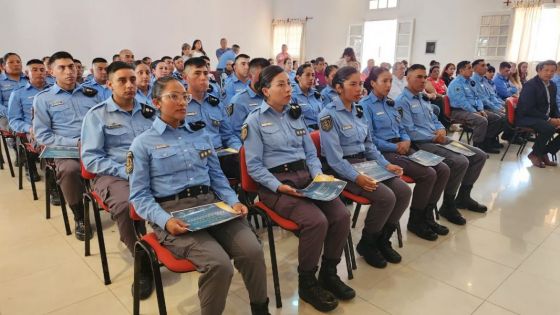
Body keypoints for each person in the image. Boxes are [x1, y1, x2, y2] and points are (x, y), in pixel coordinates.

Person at [128, 76, 269, 315]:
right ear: (155, 103)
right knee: (219, 265)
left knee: (252, 250)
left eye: (184, 96)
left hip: (211, 205)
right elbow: (139, 196)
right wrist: (165, 221)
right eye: (173, 96)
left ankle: (260, 309)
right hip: (173, 213)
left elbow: (217, 178)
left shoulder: (200, 136)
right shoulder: (142, 144)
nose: (182, 102)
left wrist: (233, 201)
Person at [244, 65, 355, 312]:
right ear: (265, 91)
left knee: (341, 215)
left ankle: (329, 272)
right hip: (275, 185)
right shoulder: (254, 121)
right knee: (316, 222)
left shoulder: (296, 115)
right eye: (280, 85)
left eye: (288, 83)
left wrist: (317, 175)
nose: (288, 89)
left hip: (306, 177)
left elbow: (310, 153)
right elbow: (254, 167)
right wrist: (278, 186)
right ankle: (307, 280)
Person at [319, 66, 412, 269]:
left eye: (360, 84)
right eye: (353, 84)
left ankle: (381, 239)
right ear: (338, 87)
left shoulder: (359, 110)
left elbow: (369, 146)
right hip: (342, 168)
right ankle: (367, 243)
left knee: (403, 192)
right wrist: (355, 177)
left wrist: (386, 164)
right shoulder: (328, 116)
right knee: (386, 197)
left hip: (366, 163)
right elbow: (335, 160)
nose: (359, 88)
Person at [80, 61, 156, 299]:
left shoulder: (149, 110)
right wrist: (128, 172)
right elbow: (91, 159)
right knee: (125, 206)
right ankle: (141, 260)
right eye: (122, 81)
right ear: (109, 84)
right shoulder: (97, 115)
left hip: (150, 171)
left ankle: (174, 242)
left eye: (132, 80)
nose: (129, 85)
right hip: (113, 174)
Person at [360, 66, 449, 241]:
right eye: (384, 81)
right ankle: (414, 221)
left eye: (390, 81)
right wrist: (395, 147)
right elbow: (370, 139)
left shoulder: (391, 103)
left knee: (442, 168)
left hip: (404, 147)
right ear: (372, 83)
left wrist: (406, 140)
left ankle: (426, 215)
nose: (388, 85)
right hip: (385, 152)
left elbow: (402, 128)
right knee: (428, 173)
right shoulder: (365, 106)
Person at [396, 64, 488, 226]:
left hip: (437, 137)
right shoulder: (402, 102)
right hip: (421, 143)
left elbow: (435, 119)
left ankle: (463, 197)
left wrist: (441, 129)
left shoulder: (422, 98)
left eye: (425, 77)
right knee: (460, 161)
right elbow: (408, 131)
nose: (423, 80)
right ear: (407, 78)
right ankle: (448, 204)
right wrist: (434, 138)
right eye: (418, 76)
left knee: (478, 155)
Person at [33, 51, 104, 240]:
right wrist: (76, 143)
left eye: (71, 66)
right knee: (70, 170)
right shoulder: (43, 99)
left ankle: (118, 204)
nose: (69, 71)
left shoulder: (93, 94)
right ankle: (80, 216)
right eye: (62, 68)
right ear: (51, 71)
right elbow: (42, 135)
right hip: (68, 149)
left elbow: (105, 122)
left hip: (96, 146)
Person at [183, 57, 241, 179]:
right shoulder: (180, 105)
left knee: (251, 166)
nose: (203, 77)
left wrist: (240, 149)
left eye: (205, 73)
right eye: (197, 73)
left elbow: (228, 135)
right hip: (195, 159)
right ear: (185, 77)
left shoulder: (216, 103)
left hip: (220, 155)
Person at [7, 59, 50, 182]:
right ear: (27, 73)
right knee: (46, 145)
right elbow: (14, 120)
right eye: (34, 70)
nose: (39, 73)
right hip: (31, 130)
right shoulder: (18, 93)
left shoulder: (53, 89)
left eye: (42, 70)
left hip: (55, 128)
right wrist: (29, 128)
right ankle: (46, 178)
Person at [447, 60, 504, 154]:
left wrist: (481, 109)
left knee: (496, 118)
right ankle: (477, 148)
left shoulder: (471, 82)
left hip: (472, 109)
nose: (471, 70)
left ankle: (487, 142)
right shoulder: (456, 83)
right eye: (469, 68)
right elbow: (462, 102)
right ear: (461, 71)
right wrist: (474, 111)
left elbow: (477, 97)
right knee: (481, 120)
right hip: (459, 111)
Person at [516, 60, 560, 168]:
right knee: (549, 127)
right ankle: (535, 154)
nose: (549, 73)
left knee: (551, 126)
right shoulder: (530, 85)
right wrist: (549, 119)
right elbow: (528, 109)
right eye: (546, 70)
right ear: (539, 71)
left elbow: (553, 105)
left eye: (552, 71)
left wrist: (558, 118)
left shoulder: (552, 85)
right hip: (526, 117)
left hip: (542, 118)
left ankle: (543, 152)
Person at [228, 58, 270, 140]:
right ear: (250, 76)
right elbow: (236, 133)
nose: (265, 82)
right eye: (261, 78)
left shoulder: (273, 96)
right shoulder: (238, 100)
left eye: (268, 78)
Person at [0, 53, 28, 131]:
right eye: (11, 62)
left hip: (29, 114)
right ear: (3, 66)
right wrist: (13, 113)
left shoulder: (28, 79)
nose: (16, 64)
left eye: (18, 62)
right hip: (7, 116)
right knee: (20, 129)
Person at [291, 64, 323, 130]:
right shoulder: (292, 96)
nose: (311, 78)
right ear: (298, 77)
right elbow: (294, 121)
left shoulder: (316, 94)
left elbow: (323, 114)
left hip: (321, 129)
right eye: (307, 75)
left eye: (313, 75)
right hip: (305, 131)